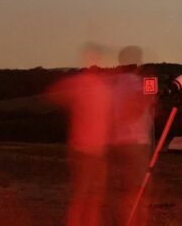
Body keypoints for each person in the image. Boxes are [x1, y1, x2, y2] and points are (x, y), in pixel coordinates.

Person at [47, 43, 114, 226]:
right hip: (88, 148)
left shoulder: (81, 85)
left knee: (90, 197)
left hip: (90, 148)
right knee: (86, 196)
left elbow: (54, 94)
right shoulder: (99, 87)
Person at [109, 45, 155, 225]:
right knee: (139, 190)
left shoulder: (116, 83)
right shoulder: (135, 84)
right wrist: (149, 100)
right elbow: (136, 110)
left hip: (121, 140)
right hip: (136, 141)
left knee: (127, 189)